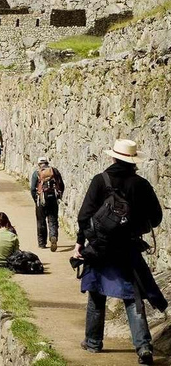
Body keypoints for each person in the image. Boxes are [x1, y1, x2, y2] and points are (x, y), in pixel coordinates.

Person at [73, 139, 166, 363]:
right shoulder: (141, 185)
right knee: (133, 297)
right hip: (128, 248)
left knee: (96, 295)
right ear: (133, 161)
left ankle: (93, 342)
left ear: (113, 157)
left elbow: (84, 216)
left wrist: (80, 243)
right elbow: (156, 218)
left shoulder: (100, 181)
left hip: (99, 248)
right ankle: (143, 348)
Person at [30, 157, 65, 251]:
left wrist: (35, 200)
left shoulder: (36, 173)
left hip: (41, 199)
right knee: (53, 219)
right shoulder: (54, 171)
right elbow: (61, 185)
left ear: (39, 164)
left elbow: (33, 189)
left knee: (41, 221)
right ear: (47, 163)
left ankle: (42, 243)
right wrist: (59, 197)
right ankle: (53, 236)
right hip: (53, 199)